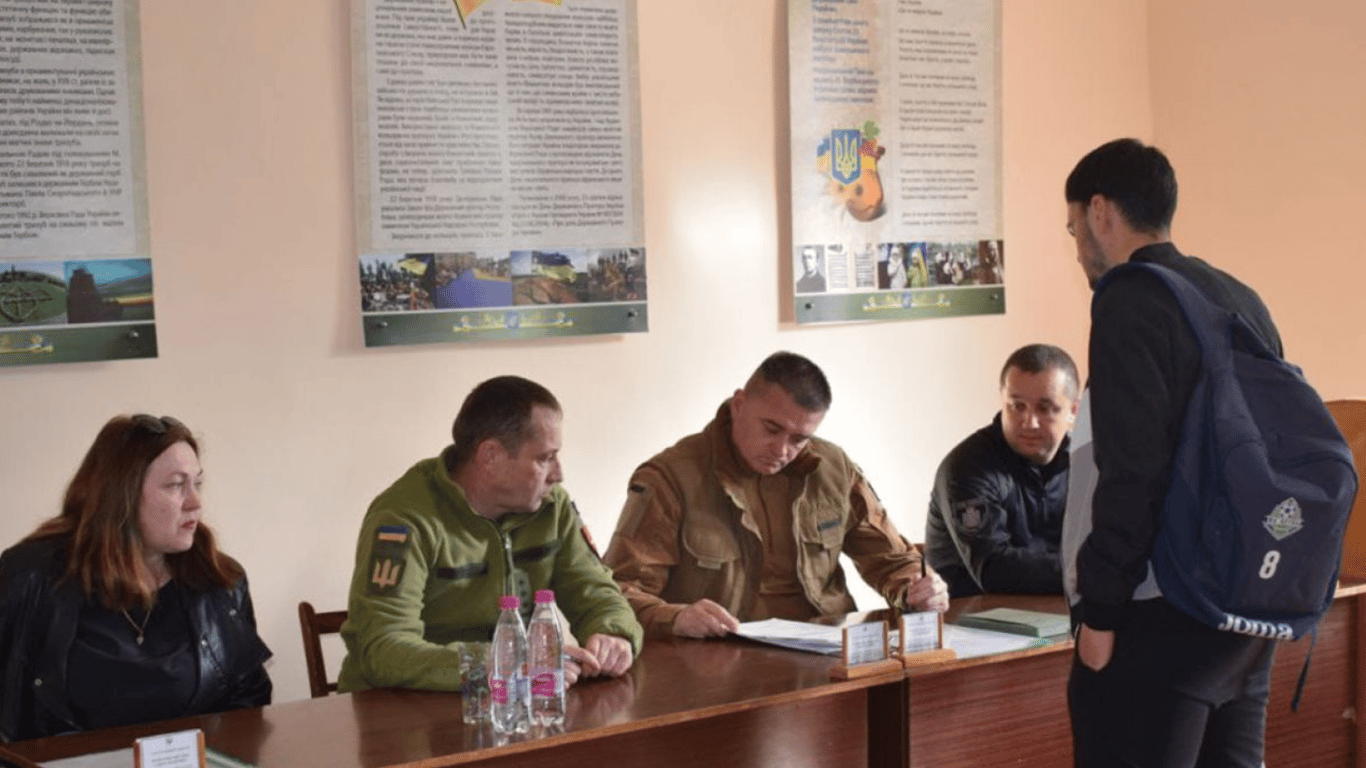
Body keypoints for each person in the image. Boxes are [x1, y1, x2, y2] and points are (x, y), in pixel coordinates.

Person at [1062, 138, 1283, 768]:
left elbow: (1133, 470)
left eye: (1074, 227)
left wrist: (1100, 613)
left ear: (1101, 212)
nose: (1078, 247)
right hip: (1244, 601)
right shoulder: (1236, 295)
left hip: (1160, 607)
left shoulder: (1130, 299)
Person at [603, 351, 948, 639]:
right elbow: (618, 592)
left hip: (825, 653)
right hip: (721, 660)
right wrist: (675, 617)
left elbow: (892, 559)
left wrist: (916, 591)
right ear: (738, 404)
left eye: (799, 439)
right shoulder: (671, 478)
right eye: (771, 429)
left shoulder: (833, 468)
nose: (782, 450)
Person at [337, 375, 643, 692]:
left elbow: (596, 591)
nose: (559, 474)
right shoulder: (405, 519)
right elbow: (384, 649)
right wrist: (503, 664)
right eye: (544, 458)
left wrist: (614, 634)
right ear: (491, 456)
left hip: (510, 704)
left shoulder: (552, 506)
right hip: (403, 711)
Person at [0, 415, 272, 742]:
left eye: (197, 483)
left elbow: (248, 701)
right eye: (175, 485)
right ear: (121, 495)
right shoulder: (30, 576)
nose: (195, 503)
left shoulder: (219, 580)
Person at [925, 343, 1078, 598]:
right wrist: (1085, 571)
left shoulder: (1089, 462)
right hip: (974, 622)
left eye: (1045, 408)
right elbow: (993, 569)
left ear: (1073, 411)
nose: (1029, 422)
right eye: (1017, 406)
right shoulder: (968, 466)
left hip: (1062, 615)